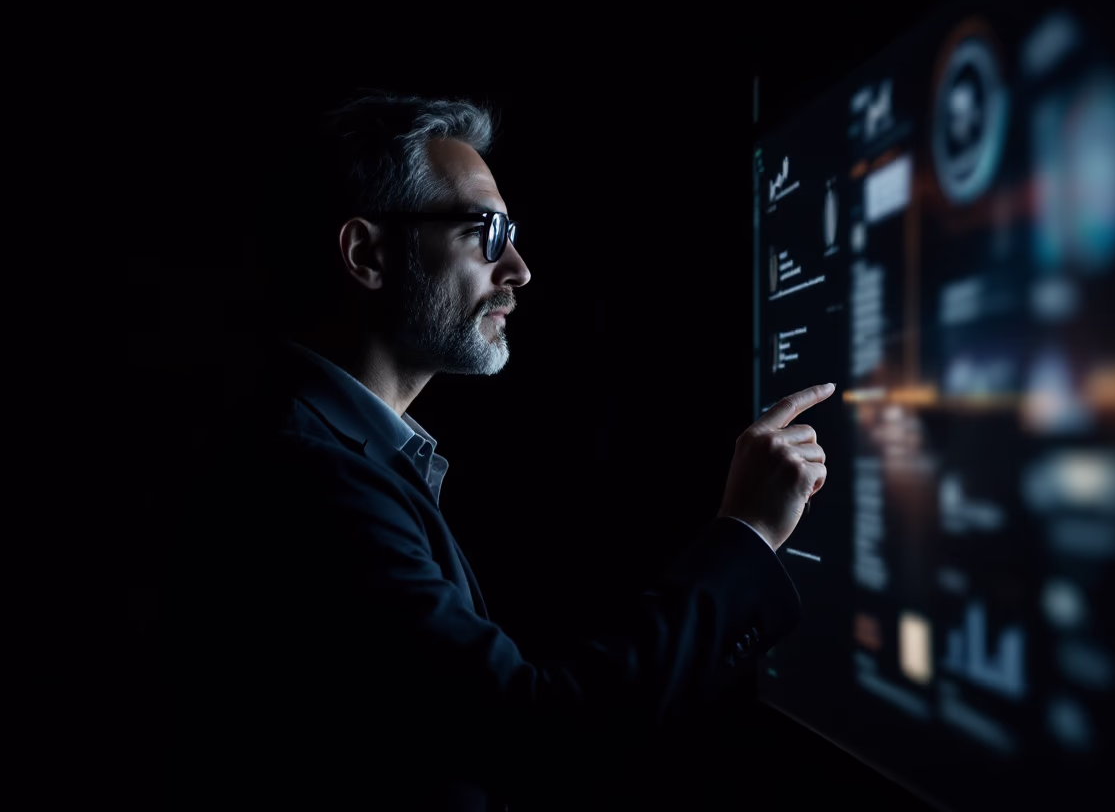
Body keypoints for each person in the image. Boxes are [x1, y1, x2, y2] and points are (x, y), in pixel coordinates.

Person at [166, 92, 834, 811]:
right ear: (365, 255)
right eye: (485, 231)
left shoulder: (337, 451)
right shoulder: (309, 477)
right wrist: (748, 532)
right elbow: (536, 730)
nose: (517, 267)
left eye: (510, 232)